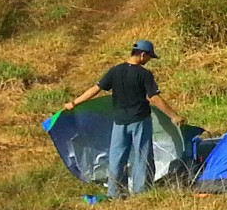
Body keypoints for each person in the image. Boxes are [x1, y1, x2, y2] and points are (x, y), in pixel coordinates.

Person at [61, 41, 184, 201]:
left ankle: (115, 192)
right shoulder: (144, 74)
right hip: (139, 120)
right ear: (142, 55)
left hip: (119, 122)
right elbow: (154, 97)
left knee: (117, 157)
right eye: (148, 57)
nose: (148, 60)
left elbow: (96, 88)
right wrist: (173, 115)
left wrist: (74, 103)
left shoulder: (115, 71)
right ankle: (141, 192)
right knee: (142, 155)